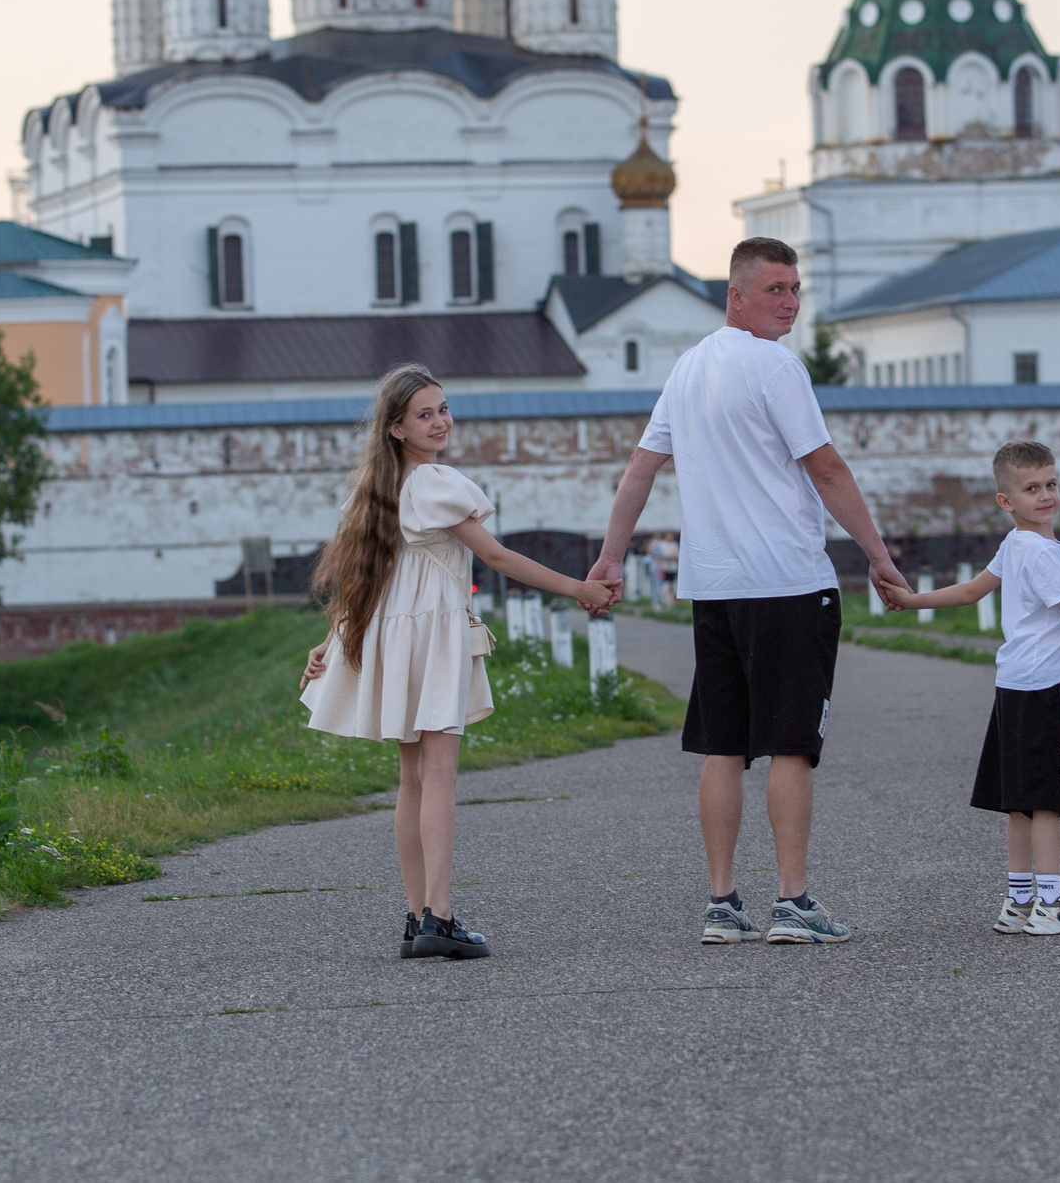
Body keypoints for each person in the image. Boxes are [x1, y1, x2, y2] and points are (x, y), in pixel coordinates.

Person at [589, 237, 909, 947]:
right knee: (790, 744)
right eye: (774, 289)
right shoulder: (774, 364)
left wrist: (612, 557)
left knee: (724, 744)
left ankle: (722, 903)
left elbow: (641, 468)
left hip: (717, 586)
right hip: (788, 582)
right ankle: (792, 901)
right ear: (735, 295)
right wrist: (878, 556)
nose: (790, 301)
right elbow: (825, 468)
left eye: (796, 289)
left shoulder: (689, 366)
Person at [301, 364, 617, 960]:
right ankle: (439, 918)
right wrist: (578, 588)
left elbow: (365, 578)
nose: (440, 421)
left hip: (398, 638)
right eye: (425, 414)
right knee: (438, 775)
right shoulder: (435, 483)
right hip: (433, 637)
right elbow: (496, 557)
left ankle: (418, 914)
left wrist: (331, 639)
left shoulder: (377, 489)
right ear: (396, 428)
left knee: (413, 779)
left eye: (443, 409)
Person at [886, 441, 1060, 935]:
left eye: (1051, 484)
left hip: (1013, 682)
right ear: (1006, 501)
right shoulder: (1040, 553)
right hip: (1039, 685)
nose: (1045, 496)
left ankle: (1019, 901)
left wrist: (911, 601)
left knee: (1019, 799)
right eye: (1031, 488)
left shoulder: (1017, 545)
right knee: (1043, 799)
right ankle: (1050, 904)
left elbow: (972, 590)